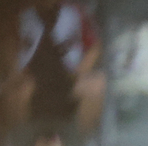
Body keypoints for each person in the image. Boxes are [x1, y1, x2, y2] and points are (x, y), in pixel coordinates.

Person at [6, 3, 107, 131]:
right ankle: (21, 141)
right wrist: (15, 72)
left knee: (96, 85)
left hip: (68, 77)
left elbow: (95, 45)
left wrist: (82, 70)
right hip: (33, 79)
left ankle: (84, 143)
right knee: (18, 90)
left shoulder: (75, 11)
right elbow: (8, 45)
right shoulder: (22, 13)